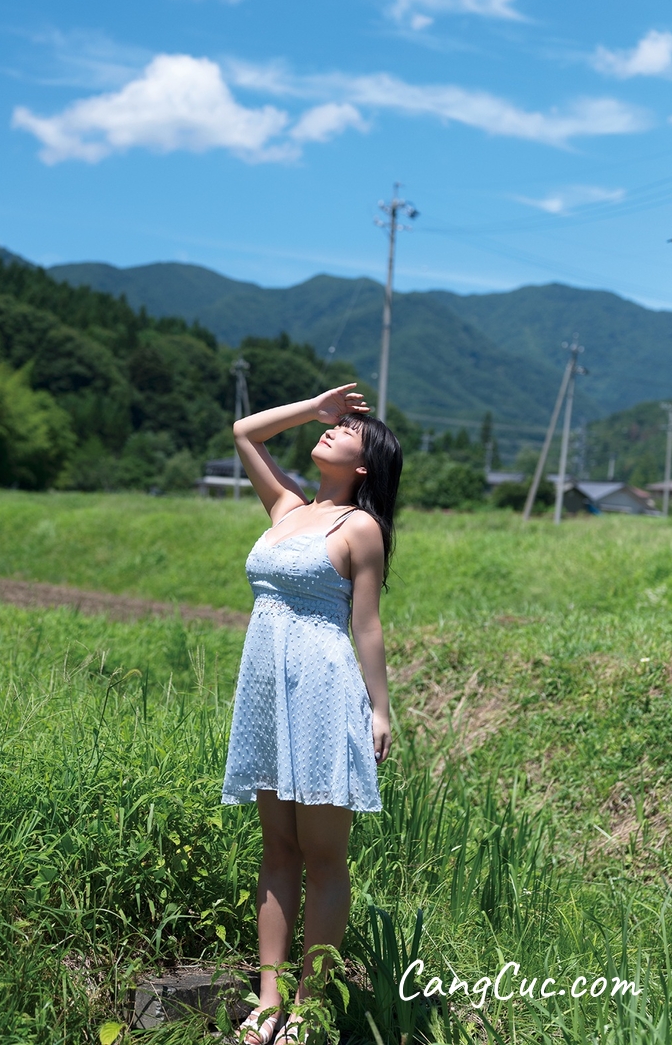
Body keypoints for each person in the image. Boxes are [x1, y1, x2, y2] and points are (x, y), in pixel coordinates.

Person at [221, 383, 403, 1045]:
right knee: (276, 850)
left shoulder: (358, 528)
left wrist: (380, 709)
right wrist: (313, 408)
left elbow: (367, 626)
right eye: (334, 423)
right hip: (266, 694)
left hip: (324, 693)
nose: (331, 429)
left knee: (323, 857)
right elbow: (244, 432)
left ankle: (308, 1006)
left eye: (347, 429)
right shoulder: (286, 507)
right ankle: (268, 1000)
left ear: (365, 466)